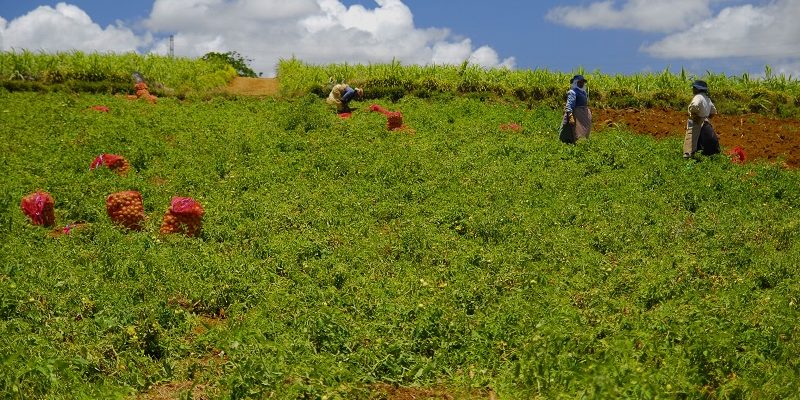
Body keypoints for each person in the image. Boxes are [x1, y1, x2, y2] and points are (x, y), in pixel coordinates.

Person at [684, 80, 720, 158]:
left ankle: (688, 155)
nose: (693, 89)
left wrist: (694, 114)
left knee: (691, 136)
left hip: (697, 120)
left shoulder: (698, 97)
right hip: (705, 121)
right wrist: (706, 117)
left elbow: (694, 106)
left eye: (694, 88)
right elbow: (714, 111)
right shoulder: (707, 99)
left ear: (697, 89)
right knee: (702, 137)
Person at [559, 75, 592, 144]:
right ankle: (573, 142)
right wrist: (570, 116)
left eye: (582, 82)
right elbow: (569, 105)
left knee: (584, 129)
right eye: (579, 82)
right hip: (577, 114)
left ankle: (581, 142)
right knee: (575, 129)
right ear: (575, 83)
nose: (581, 84)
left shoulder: (583, 92)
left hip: (583, 114)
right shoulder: (572, 92)